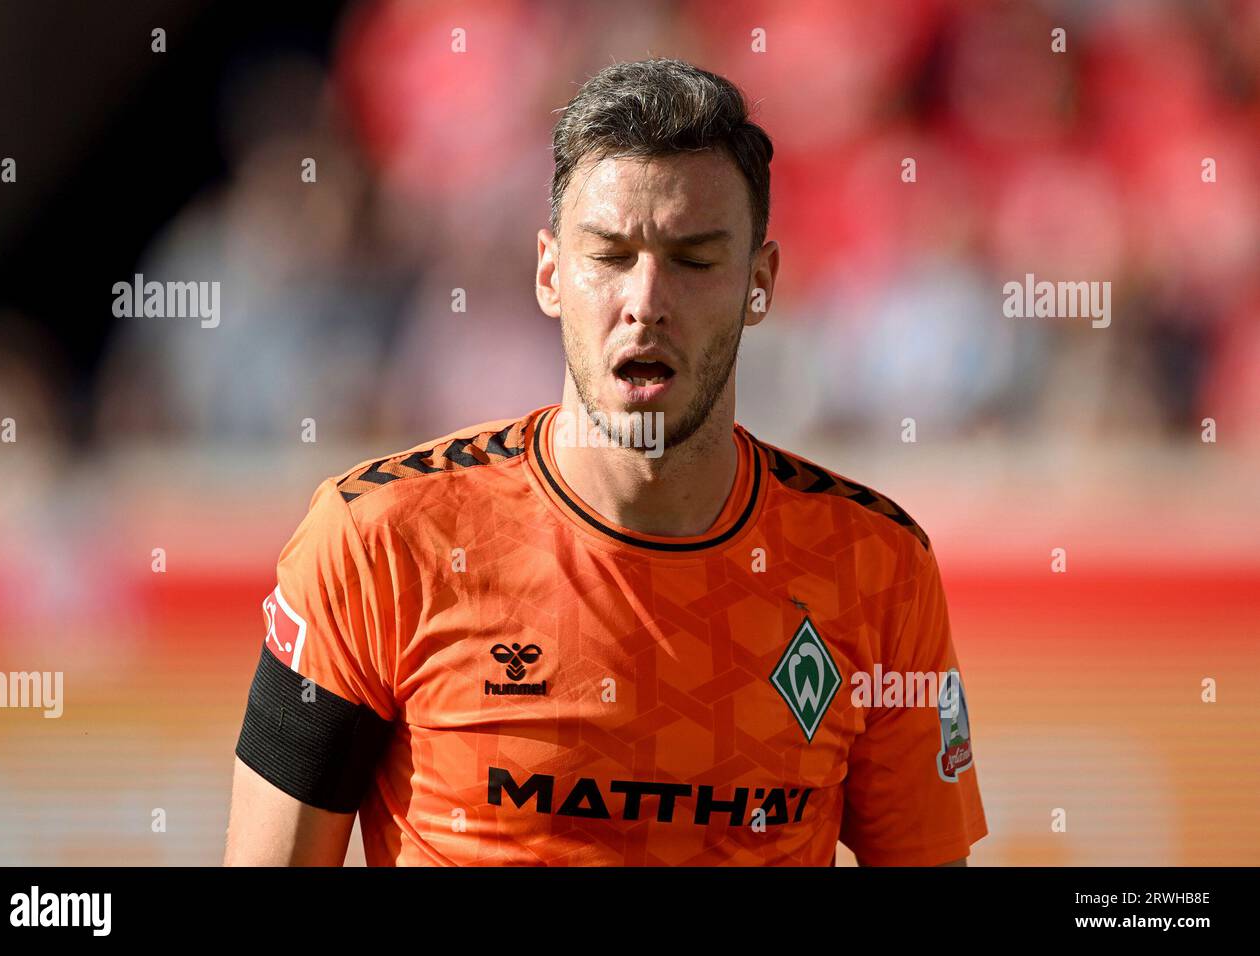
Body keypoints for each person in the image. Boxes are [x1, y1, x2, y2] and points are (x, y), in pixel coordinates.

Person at [224, 57, 987, 866]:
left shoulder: (875, 568)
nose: (646, 300)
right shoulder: (376, 543)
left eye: (695, 260)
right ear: (551, 272)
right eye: (611, 255)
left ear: (759, 285)